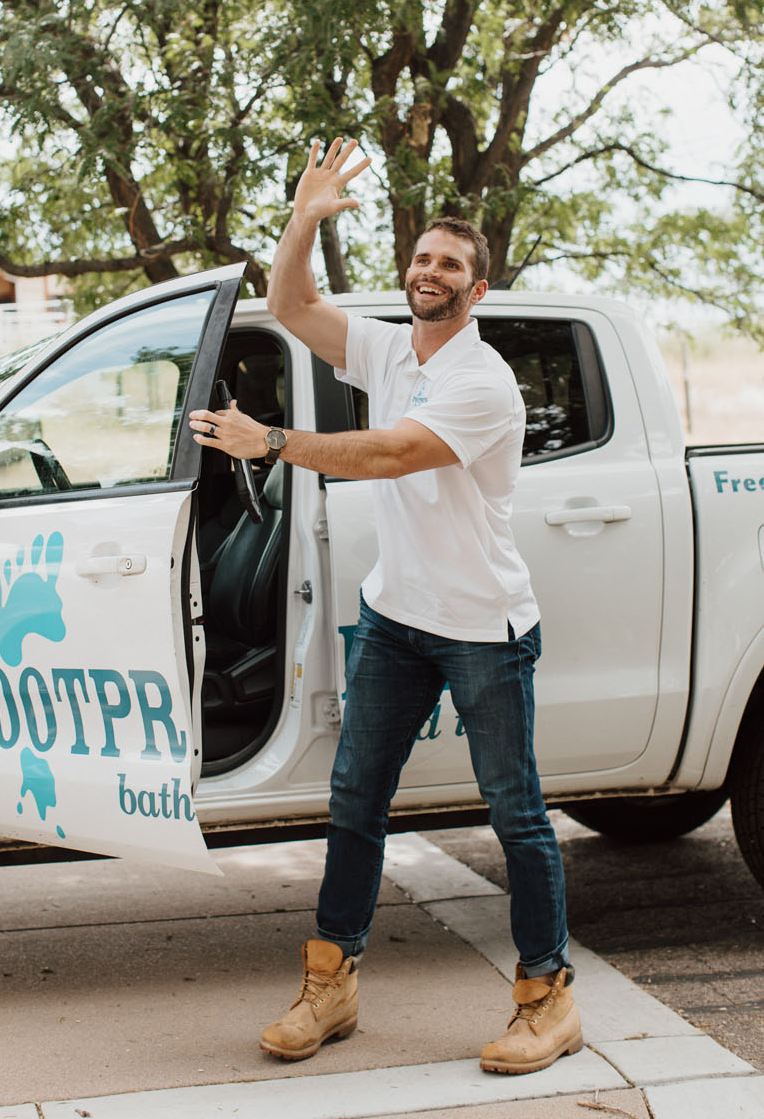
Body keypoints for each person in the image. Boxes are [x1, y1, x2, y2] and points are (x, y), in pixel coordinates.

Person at [189, 136, 582, 1076]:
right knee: (354, 800)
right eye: (420, 258)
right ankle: (331, 984)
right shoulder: (392, 347)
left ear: (474, 289)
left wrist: (270, 440)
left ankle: (548, 997)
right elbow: (290, 306)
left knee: (514, 811)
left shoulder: (479, 380)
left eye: (449, 264)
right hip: (396, 621)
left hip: (482, 628)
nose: (429, 272)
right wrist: (303, 216)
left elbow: (391, 454)